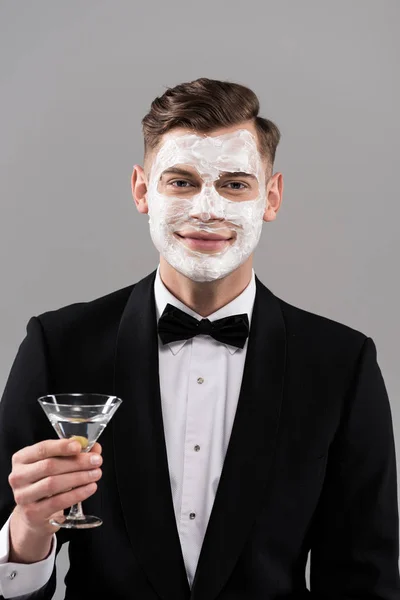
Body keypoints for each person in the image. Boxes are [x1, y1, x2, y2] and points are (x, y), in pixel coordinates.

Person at [0, 77, 399, 600]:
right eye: (182, 182)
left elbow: (364, 580)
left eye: (234, 184)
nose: (207, 208)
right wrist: (26, 534)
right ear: (143, 190)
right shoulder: (58, 345)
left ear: (271, 197)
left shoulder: (342, 363)